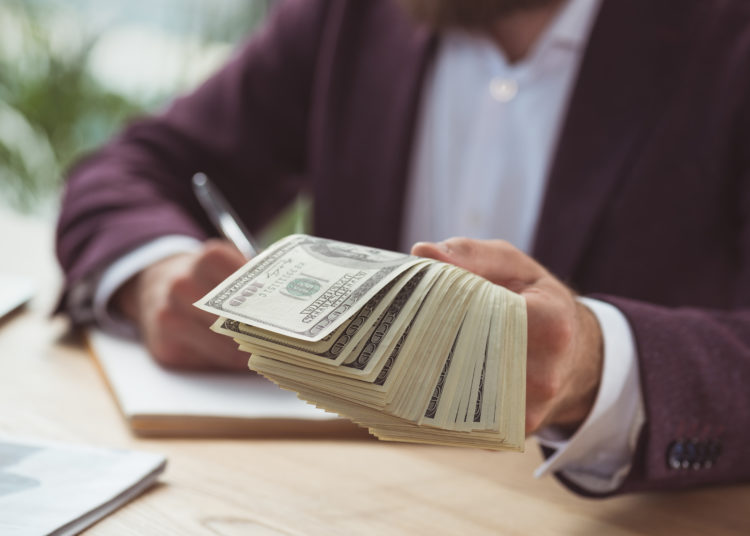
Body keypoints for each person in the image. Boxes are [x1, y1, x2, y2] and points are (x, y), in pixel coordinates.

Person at [55, 0, 750, 497]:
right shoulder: (351, 17)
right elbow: (130, 167)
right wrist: (155, 276)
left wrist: (598, 366)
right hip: (333, 505)